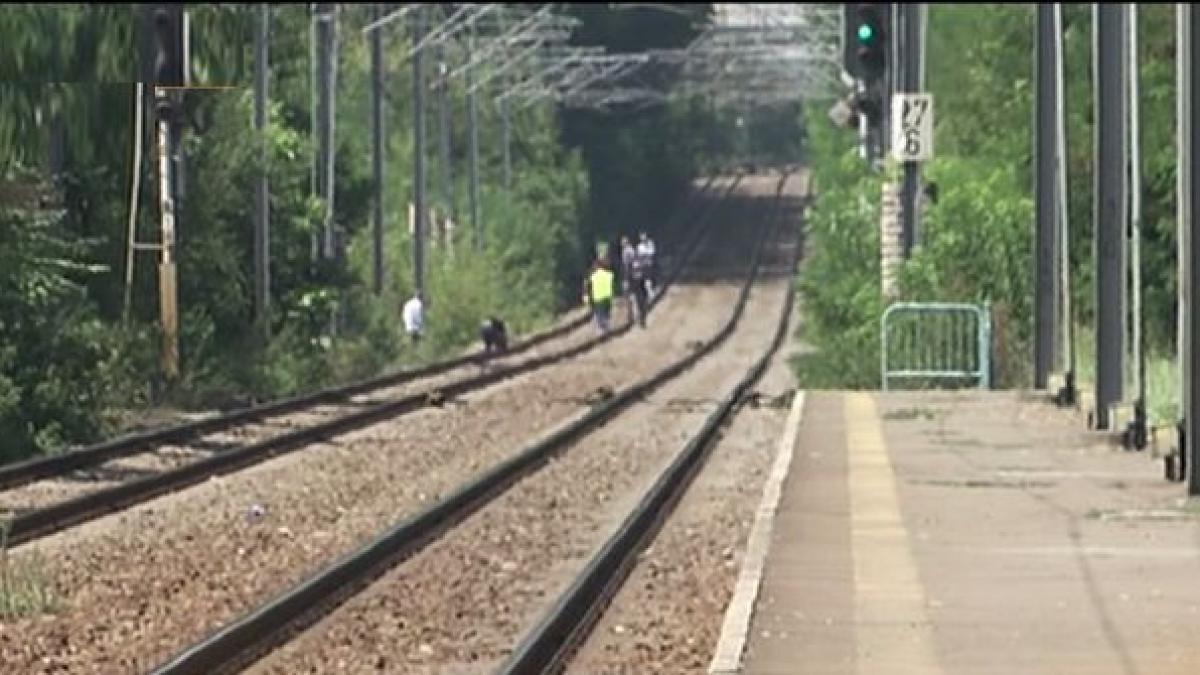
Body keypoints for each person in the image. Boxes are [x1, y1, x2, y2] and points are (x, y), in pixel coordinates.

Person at [583, 257, 614, 333]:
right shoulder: (609, 274)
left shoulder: (592, 276)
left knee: (599, 314)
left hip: (598, 297)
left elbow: (587, 287)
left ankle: (601, 328)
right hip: (607, 297)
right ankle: (607, 327)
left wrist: (586, 297)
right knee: (606, 313)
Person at [637, 231, 657, 300]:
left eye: (644, 236)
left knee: (650, 279)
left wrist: (646, 255)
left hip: (650, 264)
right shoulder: (639, 246)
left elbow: (652, 252)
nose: (643, 238)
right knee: (646, 280)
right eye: (642, 237)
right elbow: (640, 256)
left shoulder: (650, 243)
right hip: (644, 265)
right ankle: (650, 294)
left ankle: (651, 293)